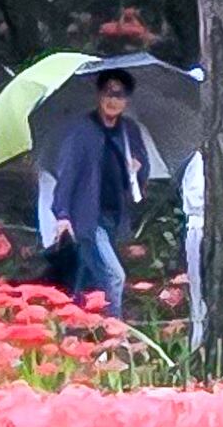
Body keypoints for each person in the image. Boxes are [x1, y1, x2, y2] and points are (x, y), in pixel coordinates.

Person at [44, 71, 149, 316]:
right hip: (88, 219)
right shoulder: (82, 131)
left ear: (127, 100)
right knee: (114, 276)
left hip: (115, 216)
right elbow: (67, 175)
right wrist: (62, 214)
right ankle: (116, 337)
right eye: (108, 93)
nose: (113, 100)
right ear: (99, 96)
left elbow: (141, 174)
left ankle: (75, 333)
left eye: (119, 95)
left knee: (88, 280)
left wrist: (137, 168)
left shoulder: (129, 130)